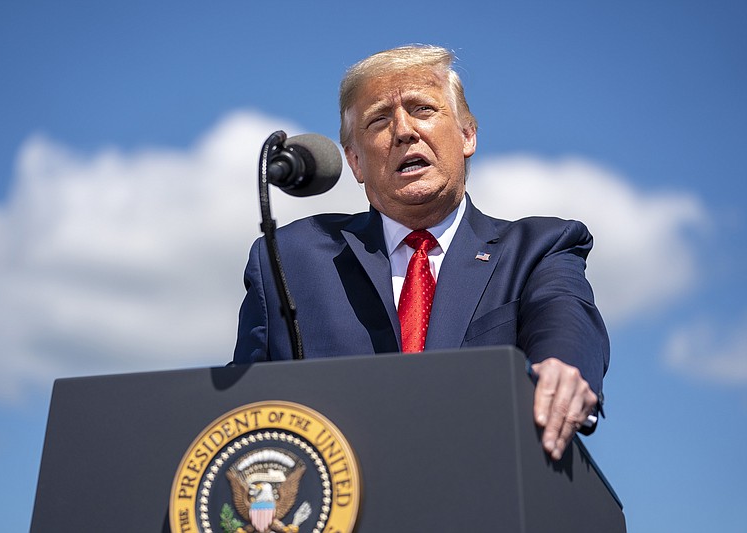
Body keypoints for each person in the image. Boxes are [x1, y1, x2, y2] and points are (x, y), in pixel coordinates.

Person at [233, 45, 609, 461]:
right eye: (379, 119)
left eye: (423, 110)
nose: (404, 131)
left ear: (467, 135)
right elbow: (239, 417)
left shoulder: (538, 250)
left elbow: (566, 318)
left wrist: (562, 365)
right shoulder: (289, 260)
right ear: (355, 162)